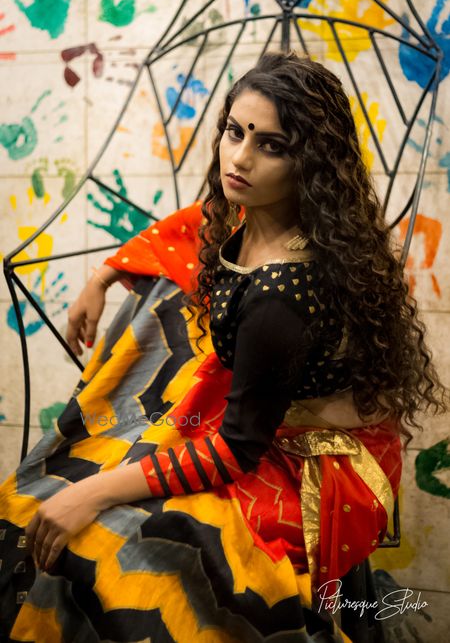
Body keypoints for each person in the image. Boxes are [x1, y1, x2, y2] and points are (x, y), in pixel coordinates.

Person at [0, 51, 446, 643]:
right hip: (259, 422)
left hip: (308, 461)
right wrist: (103, 278)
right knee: (79, 463)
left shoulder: (281, 293)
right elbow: (192, 223)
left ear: (310, 163)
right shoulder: (251, 211)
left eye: (272, 146)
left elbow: (236, 450)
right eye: (235, 132)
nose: (239, 158)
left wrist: (91, 494)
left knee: (125, 547)